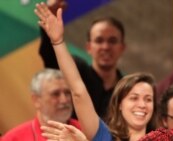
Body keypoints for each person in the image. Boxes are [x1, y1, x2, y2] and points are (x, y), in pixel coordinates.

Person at [34, 2, 157, 141]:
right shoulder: (104, 137)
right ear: (119, 104)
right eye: (134, 98)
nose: (141, 104)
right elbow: (77, 90)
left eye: (148, 99)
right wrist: (57, 41)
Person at [39, 1, 126, 120]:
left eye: (112, 41)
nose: (105, 47)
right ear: (88, 47)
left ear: (122, 47)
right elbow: (52, 59)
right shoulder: (76, 72)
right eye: (99, 40)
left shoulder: (128, 90)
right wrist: (51, 32)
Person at [1, 69, 81, 141]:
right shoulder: (13, 139)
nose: (64, 100)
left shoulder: (85, 130)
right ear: (36, 100)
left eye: (67, 93)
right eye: (55, 94)